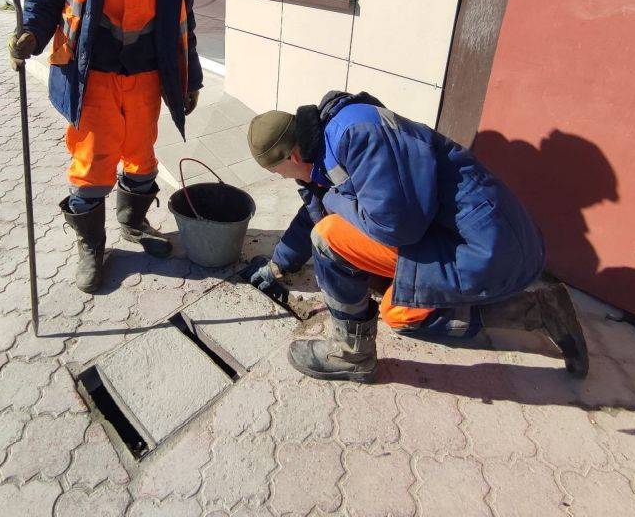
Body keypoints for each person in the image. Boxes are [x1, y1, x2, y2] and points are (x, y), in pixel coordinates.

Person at [246, 91, 589, 383]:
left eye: (276, 172)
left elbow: (394, 228)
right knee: (400, 315)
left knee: (329, 237)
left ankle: (352, 355)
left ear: (290, 157)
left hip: (484, 246)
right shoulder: (319, 150)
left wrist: (335, 199)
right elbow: (314, 212)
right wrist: (278, 265)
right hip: (450, 233)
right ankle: (538, 311)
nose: (279, 178)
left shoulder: (357, 137)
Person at [8, 0, 203, 293]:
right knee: (93, 162)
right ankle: (91, 245)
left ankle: (132, 222)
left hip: (147, 74)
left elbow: (184, 23)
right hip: (90, 71)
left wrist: (191, 81)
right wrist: (30, 34)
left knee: (141, 154)